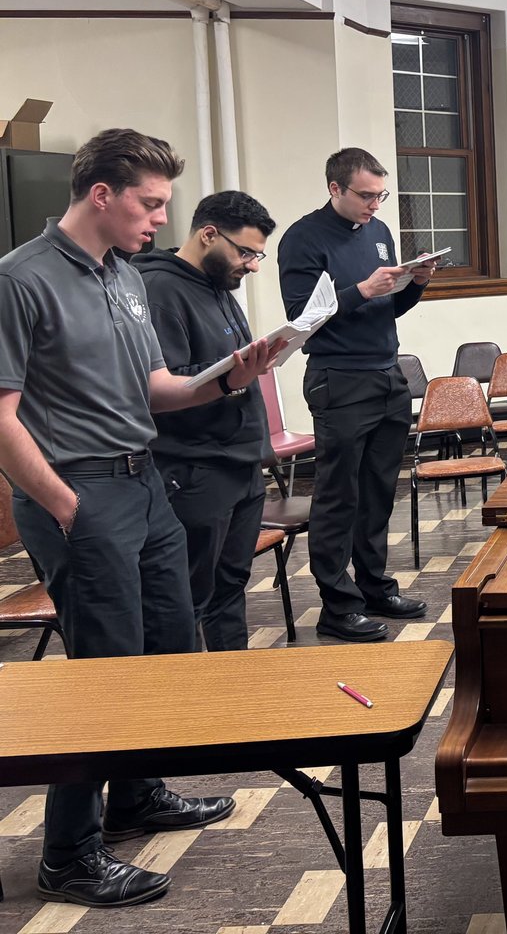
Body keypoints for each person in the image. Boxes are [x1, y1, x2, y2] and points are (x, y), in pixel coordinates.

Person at [0, 128, 282, 907]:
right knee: (104, 672)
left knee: (165, 644)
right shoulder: (20, 279)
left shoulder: (123, 275)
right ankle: (68, 853)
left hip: (145, 481)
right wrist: (64, 504)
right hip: (81, 492)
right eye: (150, 204)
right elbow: (1, 415)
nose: (161, 219)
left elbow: (154, 384)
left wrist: (227, 381)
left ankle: (134, 794)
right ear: (102, 195)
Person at [277, 148, 436, 642]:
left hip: (387, 376)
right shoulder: (302, 239)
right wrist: (359, 291)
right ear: (335, 189)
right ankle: (337, 607)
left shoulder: (380, 233)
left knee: (378, 493)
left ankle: (374, 587)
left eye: (379, 195)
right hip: (338, 379)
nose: (374, 205)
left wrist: (416, 285)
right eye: (365, 195)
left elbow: (388, 308)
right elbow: (303, 317)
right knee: (338, 497)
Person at [134, 190, 278, 650]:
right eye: (246, 252)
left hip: (239, 462)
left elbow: (229, 366)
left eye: (258, 255)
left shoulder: (219, 286)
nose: (252, 265)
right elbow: (162, 385)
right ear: (208, 234)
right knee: (188, 600)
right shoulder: (158, 289)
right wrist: (234, 376)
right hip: (194, 467)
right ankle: (187, 707)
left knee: (230, 587)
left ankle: (231, 695)